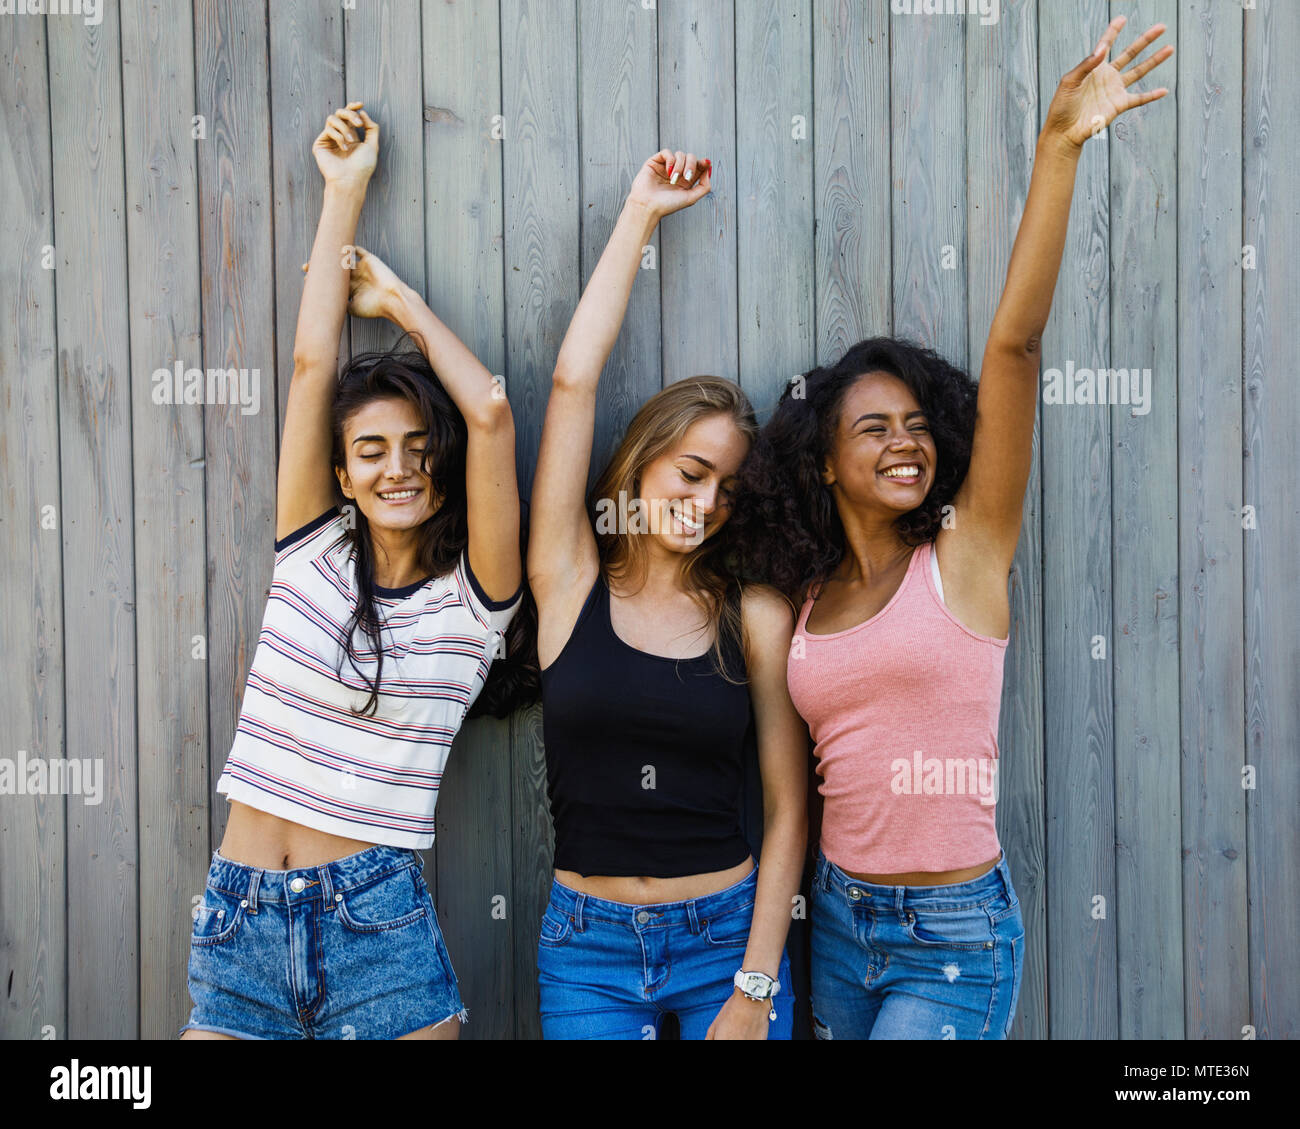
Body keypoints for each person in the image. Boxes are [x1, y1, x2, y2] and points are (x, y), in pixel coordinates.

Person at [733, 16, 1173, 1039]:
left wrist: (1057, 148)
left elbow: (1014, 347)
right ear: (822, 458)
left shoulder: (966, 555)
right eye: (873, 427)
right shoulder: (800, 599)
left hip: (953, 933)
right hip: (839, 925)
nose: (905, 443)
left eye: (920, 425)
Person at [180, 102, 525, 1040]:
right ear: (340, 475)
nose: (398, 465)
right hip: (240, 911)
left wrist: (402, 305)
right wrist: (345, 193)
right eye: (371, 449)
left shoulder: (476, 600)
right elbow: (308, 366)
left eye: (417, 447)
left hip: (377, 922)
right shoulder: (311, 550)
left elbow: (490, 413)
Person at [528, 148, 808, 1038]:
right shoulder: (567, 579)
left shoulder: (751, 614)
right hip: (586, 950)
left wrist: (755, 985)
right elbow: (573, 382)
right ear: (642, 461)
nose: (706, 502)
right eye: (690, 473)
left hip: (724, 937)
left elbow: (789, 803)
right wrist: (640, 215)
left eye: (728, 488)